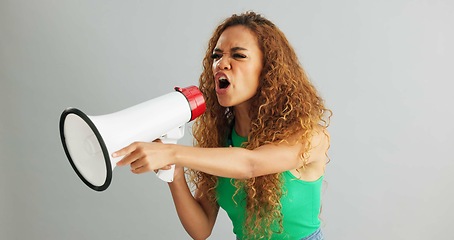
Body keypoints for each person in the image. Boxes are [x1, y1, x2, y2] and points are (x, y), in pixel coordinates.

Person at [113, 11, 331, 240]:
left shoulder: (310, 136)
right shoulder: (221, 139)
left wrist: (171, 153)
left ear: (268, 69)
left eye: (238, 56)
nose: (221, 64)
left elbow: (251, 164)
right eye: (217, 56)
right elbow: (201, 228)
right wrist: (175, 174)